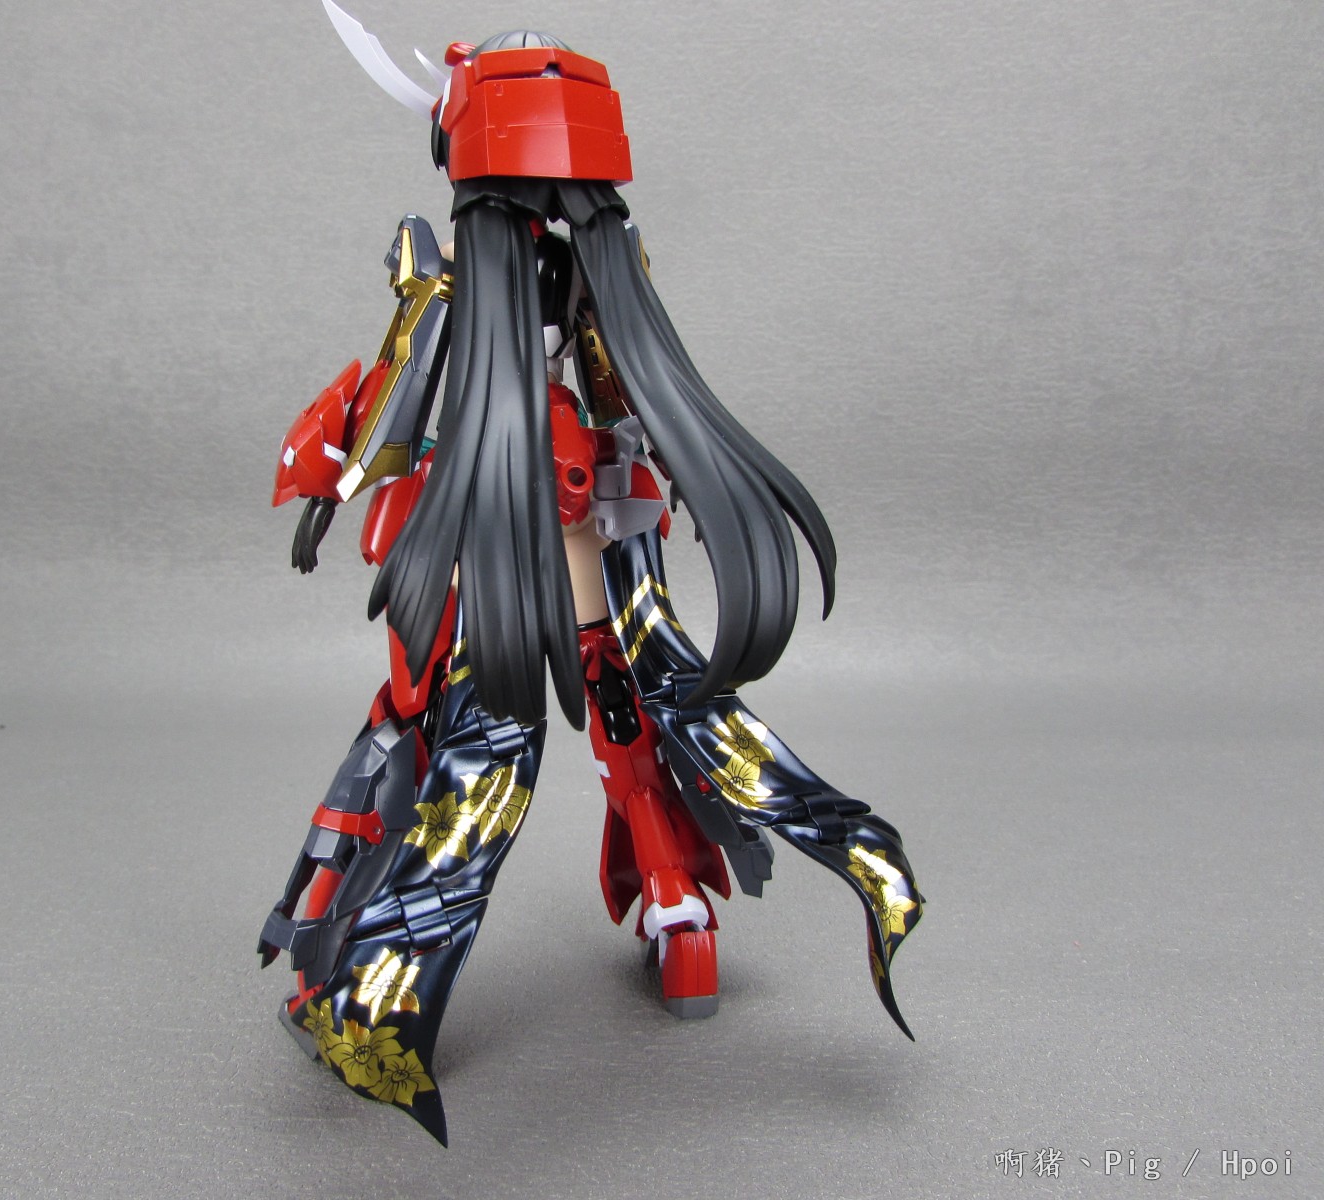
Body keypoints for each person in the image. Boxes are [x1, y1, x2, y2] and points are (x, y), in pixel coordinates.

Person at [259, 20, 923, 1145]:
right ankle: (678, 914)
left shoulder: (459, 287)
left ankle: (358, 987)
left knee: (435, 741)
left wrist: (327, 484)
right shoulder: (606, 287)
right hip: (589, 553)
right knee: (632, 713)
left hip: (501, 556)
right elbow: (633, 412)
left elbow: (390, 409)